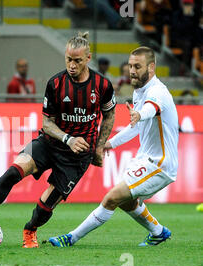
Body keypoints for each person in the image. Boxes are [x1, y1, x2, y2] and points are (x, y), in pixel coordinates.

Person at [0, 32, 116, 248]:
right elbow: (47, 123)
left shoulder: (102, 85)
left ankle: (30, 230)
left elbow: (110, 114)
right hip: (49, 143)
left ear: (88, 58)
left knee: (48, 204)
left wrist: (99, 147)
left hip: (77, 158)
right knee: (12, 172)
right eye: (68, 59)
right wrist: (69, 139)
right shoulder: (56, 83)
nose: (71, 65)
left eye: (77, 60)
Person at [49, 46, 178, 247]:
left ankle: (70, 238)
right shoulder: (139, 91)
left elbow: (150, 109)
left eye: (137, 66)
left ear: (151, 68)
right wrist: (109, 143)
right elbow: (136, 128)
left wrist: (139, 114)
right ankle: (158, 231)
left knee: (111, 198)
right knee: (127, 201)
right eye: (130, 65)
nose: (132, 70)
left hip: (160, 163)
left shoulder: (157, 92)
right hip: (146, 158)